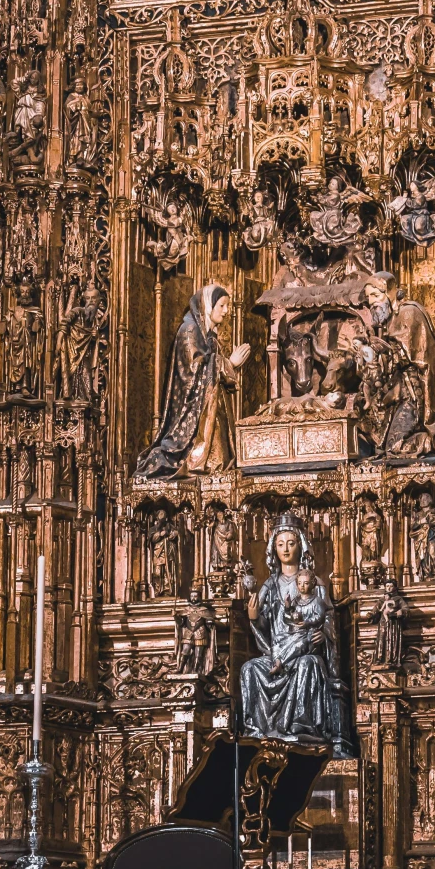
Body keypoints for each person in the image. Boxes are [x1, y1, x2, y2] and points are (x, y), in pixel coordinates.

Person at [234, 515, 350, 755]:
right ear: (273, 549)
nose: (286, 549)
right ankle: (256, 730)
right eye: (280, 544)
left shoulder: (315, 583)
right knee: (250, 669)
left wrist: (323, 633)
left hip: (305, 651)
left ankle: (301, 725)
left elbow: (328, 617)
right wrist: (255, 616)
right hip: (277, 651)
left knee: (307, 665)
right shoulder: (270, 584)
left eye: (291, 543)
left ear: (301, 545)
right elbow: (265, 627)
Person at [136, 283, 251, 479]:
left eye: (227, 306)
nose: (226, 312)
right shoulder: (188, 331)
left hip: (211, 409)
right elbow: (194, 369)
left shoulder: (211, 338)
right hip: (192, 410)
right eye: (222, 306)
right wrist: (228, 363)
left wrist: (225, 367)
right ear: (208, 305)